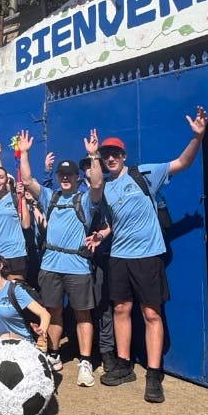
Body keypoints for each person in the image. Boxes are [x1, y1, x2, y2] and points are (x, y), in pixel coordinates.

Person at [98, 106, 208, 404]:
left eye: (115, 154)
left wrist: (197, 138)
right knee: (121, 310)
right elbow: (115, 222)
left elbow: (182, 163)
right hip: (118, 257)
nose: (110, 158)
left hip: (148, 257)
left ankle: (154, 374)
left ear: (123, 157)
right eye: (105, 155)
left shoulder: (144, 174)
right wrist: (103, 234)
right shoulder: (105, 189)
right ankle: (124, 365)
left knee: (151, 313)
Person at [18, 129, 104, 387]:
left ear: (78, 178)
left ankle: (85, 361)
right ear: (58, 177)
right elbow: (28, 179)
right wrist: (23, 153)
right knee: (53, 313)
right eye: (62, 175)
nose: (65, 178)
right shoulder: (50, 197)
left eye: (70, 175)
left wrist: (94, 155)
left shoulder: (86, 200)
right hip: (50, 266)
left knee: (82, 314)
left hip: (78, 266)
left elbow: (98, 184)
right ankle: (54, 355)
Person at [0, 250, 50, 362]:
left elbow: (45, 314)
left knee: (4, 339)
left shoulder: (15, 290)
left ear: (0, 265)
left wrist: (41, 335)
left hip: (21, 339)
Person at [79, 153, 116, 373]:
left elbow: (114, 221)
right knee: (82, 307)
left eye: (93, 166)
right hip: (81, 259)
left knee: (103, 306)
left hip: (102, 257)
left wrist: (102, 236)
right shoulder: (80, 194)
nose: (90, 170)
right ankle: (86, 351)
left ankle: (106, 352)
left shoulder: (109, 191)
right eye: (87, 167)